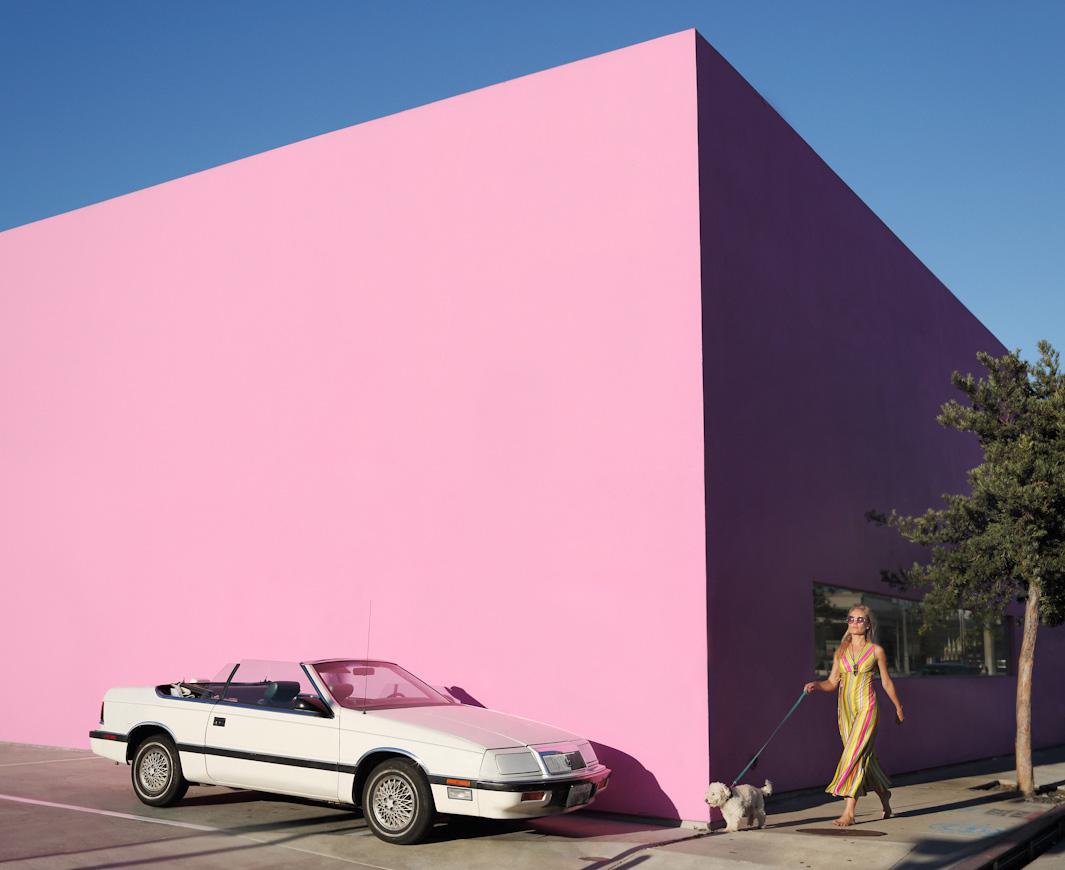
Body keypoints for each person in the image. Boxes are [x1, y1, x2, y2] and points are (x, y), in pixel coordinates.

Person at [803, 605, 904, 827]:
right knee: (864, 758)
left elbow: (886, 681)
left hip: (867, 708)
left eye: (860, 619)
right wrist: (816, 686)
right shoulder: (840, 652)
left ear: (868, 624)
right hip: (845, 711)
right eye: (851, 618)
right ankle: (884, 795)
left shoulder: (876, 651)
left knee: (853, 755)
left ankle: (849, 812)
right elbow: (831, 683)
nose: (855, 622)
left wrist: (898, 706)